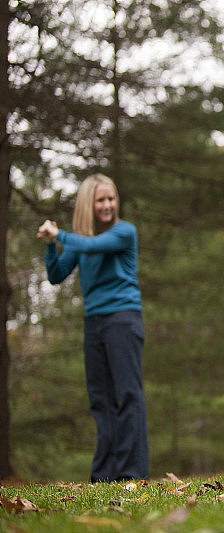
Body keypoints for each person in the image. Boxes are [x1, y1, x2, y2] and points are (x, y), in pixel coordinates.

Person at [37, 174, 149, 482]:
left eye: (111, 199)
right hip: (94, 322)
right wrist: (51, 244)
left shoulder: (123, 232)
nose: (107, 205)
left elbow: (95, 246)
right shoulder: (80, 240)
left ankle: (131, 473)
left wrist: (61, 234)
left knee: (127, 394)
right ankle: (103, 475)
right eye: (101, 200)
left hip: (123, 318)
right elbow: (56, 275)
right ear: (89, 203)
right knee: (101, 398)